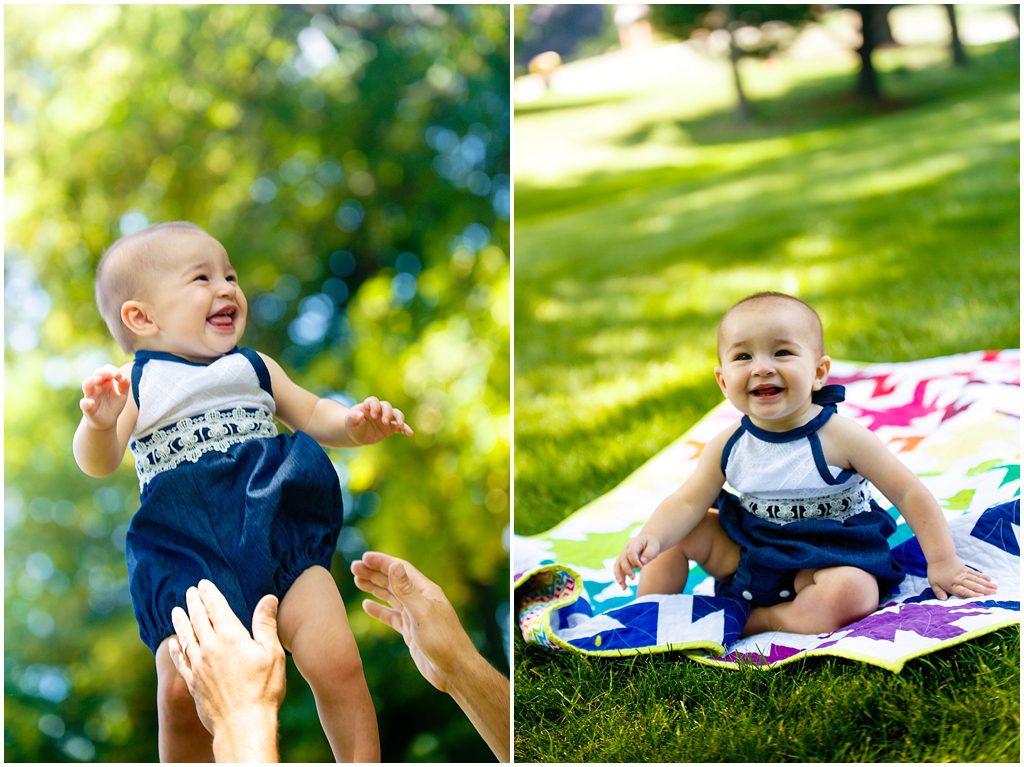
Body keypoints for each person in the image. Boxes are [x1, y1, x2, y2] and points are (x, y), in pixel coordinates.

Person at [73, 221, 413, 761]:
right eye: (201, 278)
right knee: (181, 697)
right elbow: (98, 461)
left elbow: (313, 411)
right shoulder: (136, 382)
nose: (227, 287)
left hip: (279, 531)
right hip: (187, 556)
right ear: (142, 317)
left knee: (339, 659)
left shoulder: (253, 368)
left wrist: (355, 424)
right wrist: (98, 423)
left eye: (230, 274)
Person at [613, 291, 997, 636]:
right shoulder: (728, 444)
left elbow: (908, 491)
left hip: (826, 557)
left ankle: (760, 620)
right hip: (751, 551)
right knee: (679, 531)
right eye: (743, 356)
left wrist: (944, 562)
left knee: (853, 593)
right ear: (723, 380)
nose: (761, 367)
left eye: (782, 352)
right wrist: (652, 537)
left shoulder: (840, 436)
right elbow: (686, 502)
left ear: (818, 373)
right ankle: (651, 617)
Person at [168, 555, 510, 762]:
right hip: (174, 542)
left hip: (267, 519)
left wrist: (239, 721)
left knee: (337, 659)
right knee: (176, 700)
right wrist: (461, 666)